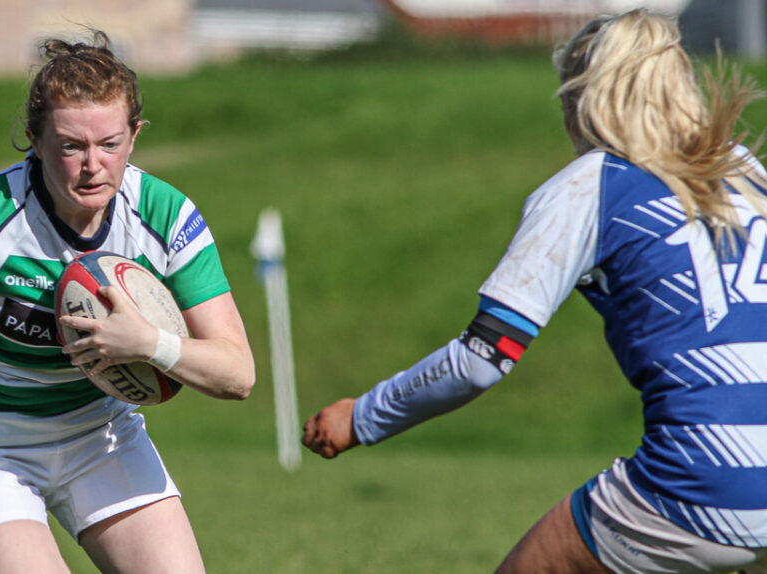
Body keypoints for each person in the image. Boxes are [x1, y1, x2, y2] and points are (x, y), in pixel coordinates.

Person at [302, 9, 767, 574]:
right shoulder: (745, 173)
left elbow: (482, 360)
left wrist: (365, 415)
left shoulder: (591, 185)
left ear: (586, 100)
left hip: (707, 479)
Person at [0, 30, 254, 573]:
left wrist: (150, 343)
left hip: (99, 435)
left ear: (135, 135)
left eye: (110, 144)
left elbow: (237, 374)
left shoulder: (166, 220)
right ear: (35, 139)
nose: (92, 166)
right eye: (70, 146)